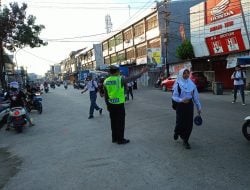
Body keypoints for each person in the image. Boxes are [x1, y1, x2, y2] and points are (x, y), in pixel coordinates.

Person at [103, 65, 147, 145]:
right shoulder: (120, 79)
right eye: (118, 71)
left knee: (113, 122)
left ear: (110, 72)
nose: (119, 72)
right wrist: (142, 72)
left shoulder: (106, 81)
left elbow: (106, 95)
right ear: (116, 71)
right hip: (119, 104)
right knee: (120, 122)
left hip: (110, 104)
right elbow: (133, 78)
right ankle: (120, 139)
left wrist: (107, 105)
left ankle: (114, 138)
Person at [172, 68, 201, 149]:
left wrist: (199, 107)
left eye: (188, 73)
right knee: (180, 121)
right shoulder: (178, 84)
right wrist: (181, 100)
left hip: (189, 106)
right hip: (180, 105)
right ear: (181, 74)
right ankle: (177, 132)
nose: (186, 75)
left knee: (189, 123)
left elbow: (196, 98)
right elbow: (174, 96)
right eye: (184, 73)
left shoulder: (192, 85)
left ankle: (186, 140)